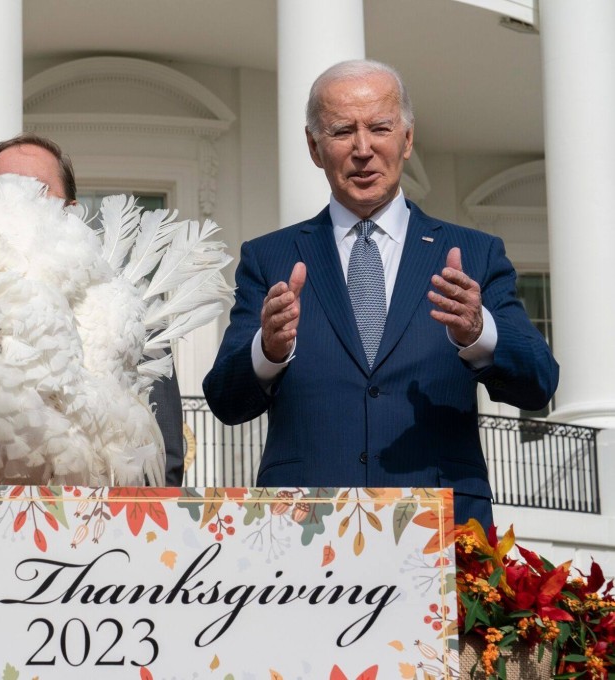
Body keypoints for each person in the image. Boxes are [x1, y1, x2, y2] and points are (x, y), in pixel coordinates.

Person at [203, 60, 558, 528]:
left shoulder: (473, 254)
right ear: (313, 147)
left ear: (408, 139)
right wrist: (268, 350)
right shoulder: (271, 258)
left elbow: (539, 383)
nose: (363, 149)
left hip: (442, 529)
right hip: (305, 530)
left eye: (380, 128)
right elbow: (226, 401)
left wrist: (479, 333)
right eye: (342, 131)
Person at [0, 134, 186, 486]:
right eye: (1, 188)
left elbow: (164, 460)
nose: (15, 201)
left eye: (35, 189)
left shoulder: (129, 313)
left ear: (71, 210)